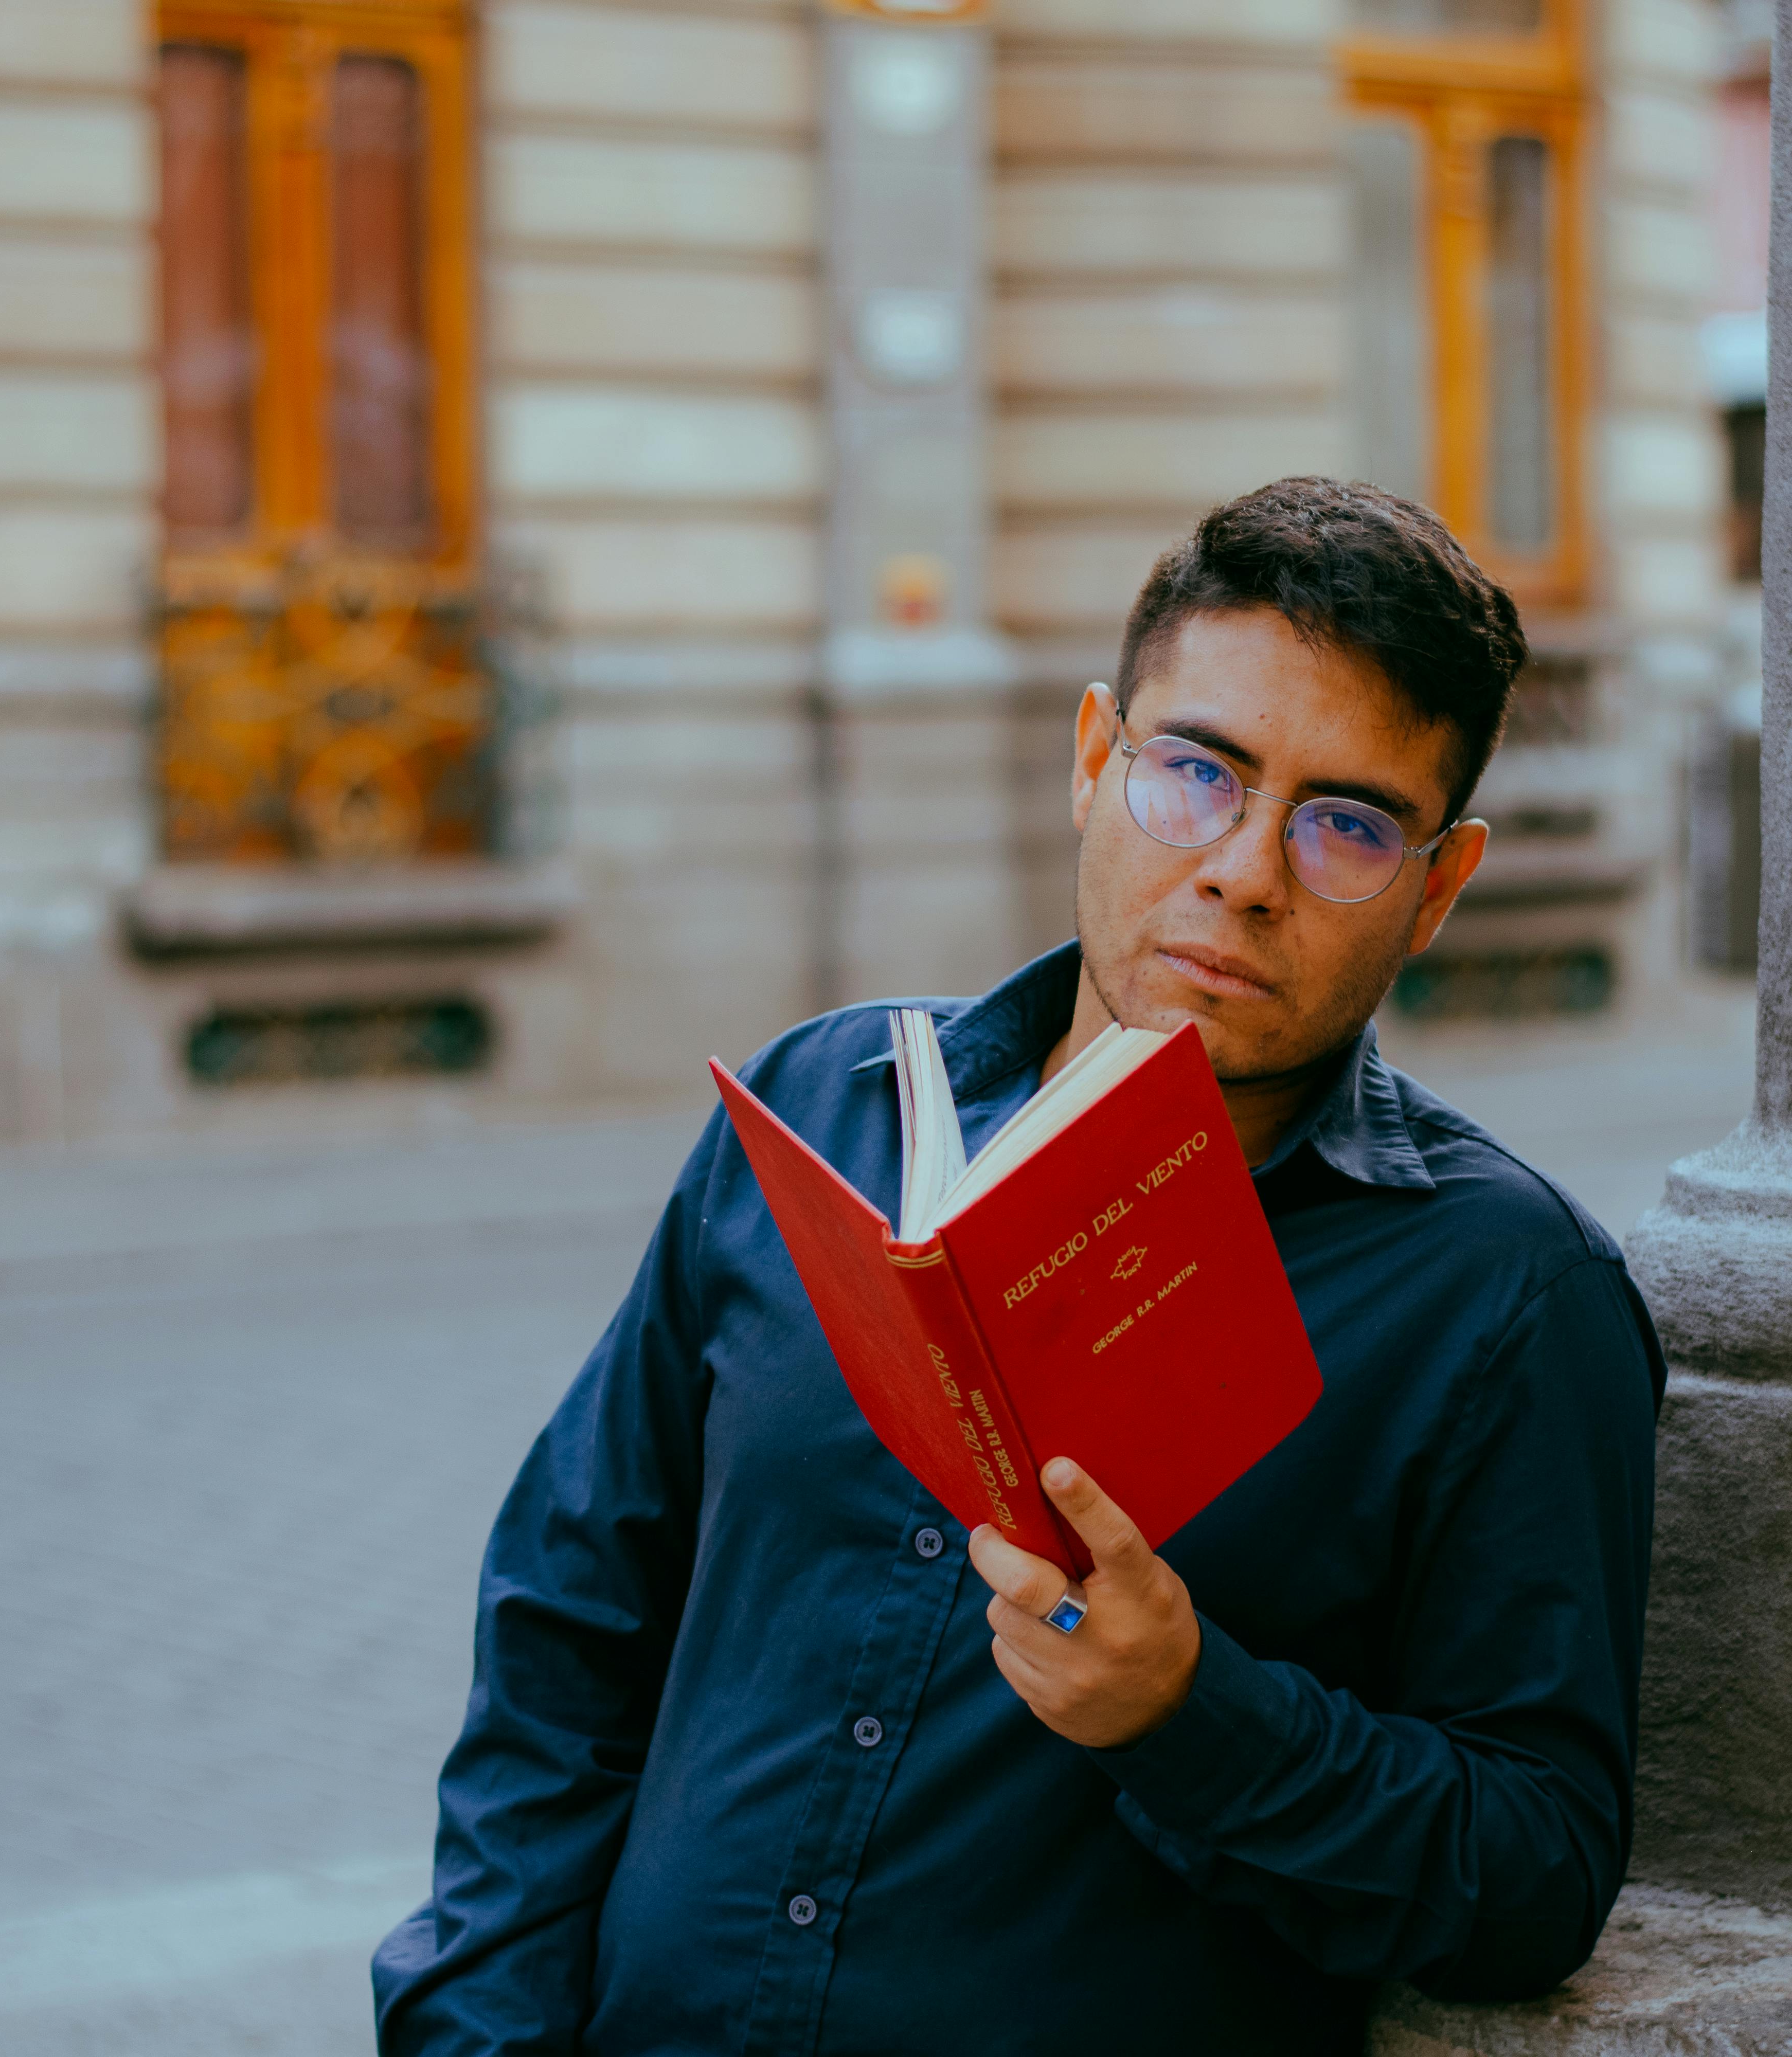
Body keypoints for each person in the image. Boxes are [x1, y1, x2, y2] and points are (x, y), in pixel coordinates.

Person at [372, 476, 1666, 2056]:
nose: (1247, 871)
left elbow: (1535, 1867)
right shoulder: (824, 1106)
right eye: (1198, 772)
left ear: (1437, 889)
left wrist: (1195, 1720)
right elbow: (569, 1624)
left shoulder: (1503, 1293)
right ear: (1091, 762)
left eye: (1347, 825)